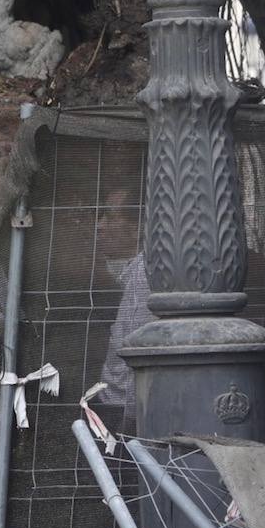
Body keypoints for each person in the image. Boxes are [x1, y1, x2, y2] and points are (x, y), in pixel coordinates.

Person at [95, 183, 151, 432]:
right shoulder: (132, 270)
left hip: (123, 411)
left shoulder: (144, 276)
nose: (100, 225)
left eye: (110, 216)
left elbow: (135, 352)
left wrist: (127, 421)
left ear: (137, 228)